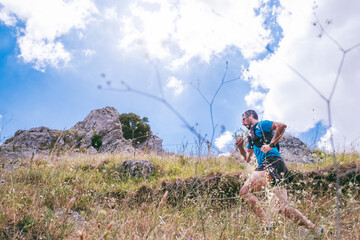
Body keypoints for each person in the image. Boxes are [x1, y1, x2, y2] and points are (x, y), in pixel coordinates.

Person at [235, 110, 317, 233]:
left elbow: (281, 126)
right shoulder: (251, 136)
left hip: (270, 162)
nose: (242, 123)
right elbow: (247, 159)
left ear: (250, 116)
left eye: (243, 119)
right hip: (278, 165)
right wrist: (240, 147)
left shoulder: (261, 125)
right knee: (282, 208)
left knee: (244, 191)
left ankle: (267, 227)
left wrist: (271, 145)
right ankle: (316, 230)